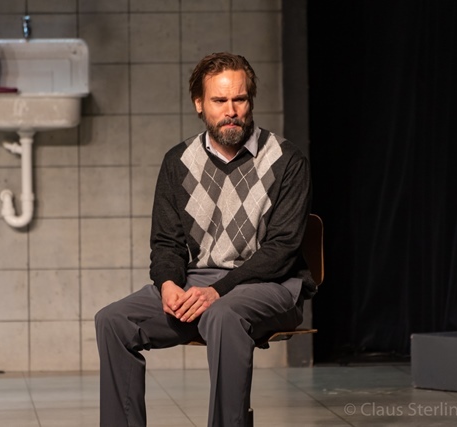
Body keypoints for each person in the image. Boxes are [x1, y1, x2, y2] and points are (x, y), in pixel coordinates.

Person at [95, 52, 316, 427]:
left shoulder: (287, 160)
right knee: (113, 321)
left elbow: (282, 249)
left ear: (250, 101)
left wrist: (219, 291)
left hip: (273, 286)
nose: (231, 111)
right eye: (219, 100)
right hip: (199, 285)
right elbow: (166, 243)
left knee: (223, 314)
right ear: (199, 104)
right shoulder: (178, 162)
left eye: (240, 99)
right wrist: (168, 284)